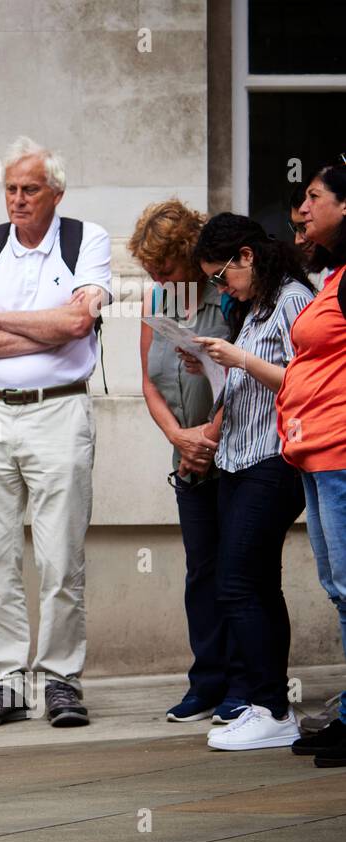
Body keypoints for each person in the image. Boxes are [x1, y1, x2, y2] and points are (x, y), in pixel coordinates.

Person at [0, 136, 111, 729]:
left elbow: (76, 321)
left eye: (30, 189)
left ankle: (61, 678)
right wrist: (48, 327)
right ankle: (7, 680)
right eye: (11, 189)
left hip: (59, 411)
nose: (17, 199)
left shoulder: (84, 240)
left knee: (61, 556)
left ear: (55, 193)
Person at [183, 213, 313, 752]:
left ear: (247, 256)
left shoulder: (292, 300)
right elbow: (253, 381)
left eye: (221, 276)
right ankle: (267, 705)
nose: (221, 287)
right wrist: (215, 366)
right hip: (239, 457)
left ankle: (271, 707)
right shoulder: (256, 306)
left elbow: (304, 380)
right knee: (254, 581)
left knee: (238, 580)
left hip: (273, 458)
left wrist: (238, 357)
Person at [127, 199, 242, 722]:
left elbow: (246, 377)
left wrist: (207, 437)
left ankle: (248, 683)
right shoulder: (160, 298)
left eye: (165, 267)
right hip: (187, 456)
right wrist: (179, 436)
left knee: (241, 572)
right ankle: (207, 680)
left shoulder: (230, 299)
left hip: (235, 451)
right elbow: (148, 380)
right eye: (150, 270)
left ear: (191, 256)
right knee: (202, 571)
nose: (157, 276)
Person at [278, 158, 346, 763]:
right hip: (319, 454)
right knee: (337, 586)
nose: (302, 208)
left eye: (313, 196)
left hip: (342, 453)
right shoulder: (332, 275)